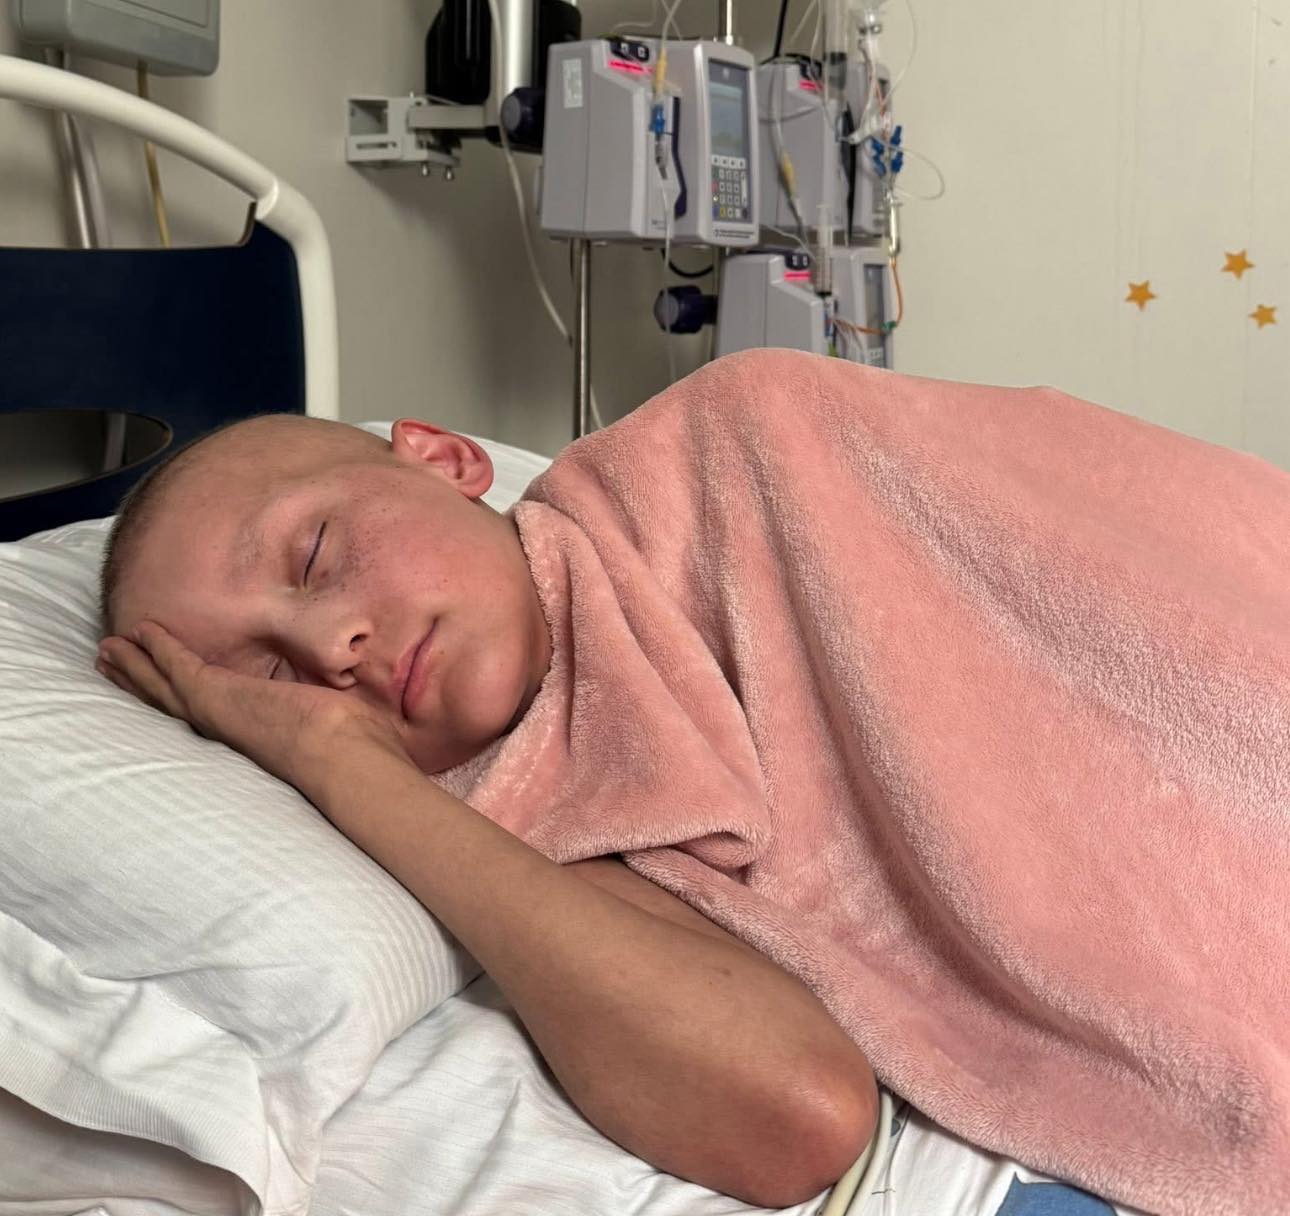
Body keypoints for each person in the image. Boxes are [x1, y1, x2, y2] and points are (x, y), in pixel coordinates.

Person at [95, 411, 881, 1210]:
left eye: (316, 556)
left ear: (445, 459)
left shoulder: (735, 450)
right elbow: (799, 1115)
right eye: (268, 677)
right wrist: (339, 761)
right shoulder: (535, 833)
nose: (329, 646)